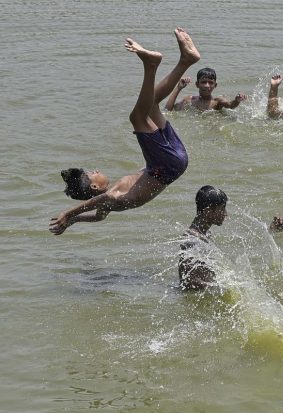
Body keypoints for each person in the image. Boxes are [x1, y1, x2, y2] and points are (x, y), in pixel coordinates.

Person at [49, 28, 201, 235]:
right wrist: (68, 213)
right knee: (137, 117)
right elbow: (102, 199)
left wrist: (74, 221)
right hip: (166, 165)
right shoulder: (113, 195)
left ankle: (186, 60)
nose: (96, 169)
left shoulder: (106, 207)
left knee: (152, 104)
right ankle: (151, 65)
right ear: (94, 187)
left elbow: (97, 217)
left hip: (170, 162)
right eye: (93, 173)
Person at [178, 185, 228, 290]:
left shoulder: (205, 234)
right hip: (194, 299)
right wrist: (225, 287)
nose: (226, 214)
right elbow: (189, 281)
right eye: (222, 209)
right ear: (207, 211)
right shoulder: (192, 240)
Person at [164, 67, 247, 111]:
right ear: (197, 84)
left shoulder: (217, 101)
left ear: (215, 85)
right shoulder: (189, 100)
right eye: (203, 82)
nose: (207, 85)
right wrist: (178, 88)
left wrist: (237, 100)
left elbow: (230, 105)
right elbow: (168, 110)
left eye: (211, 83)